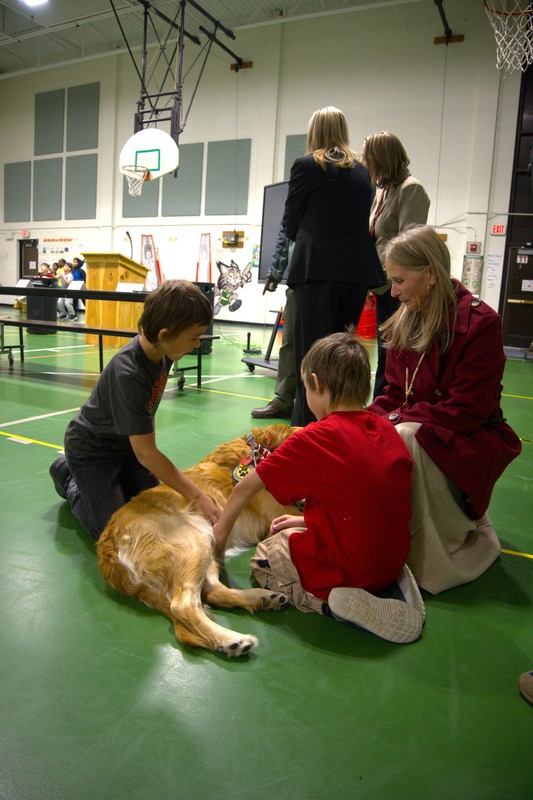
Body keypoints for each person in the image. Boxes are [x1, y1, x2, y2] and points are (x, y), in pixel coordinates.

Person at [214, 330, 425, 644]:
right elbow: (362, 500)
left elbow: (246, 487)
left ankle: (331, 605)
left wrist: (218, 537)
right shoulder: (385, 427)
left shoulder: (314, 438)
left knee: (266, 556)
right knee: (297, 530)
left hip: (350, 569)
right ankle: (394, 587)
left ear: (316, 384)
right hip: (391, 555)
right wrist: (304, 519)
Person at [369, 225, 522, 594]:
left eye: (401, 280)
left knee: (404, 436)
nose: (394, 292)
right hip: (419, 428)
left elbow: (466, 411)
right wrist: (360, 424)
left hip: (468, 439)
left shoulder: (482, 324)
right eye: (392, 281)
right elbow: (392, 393)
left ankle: (428, 557)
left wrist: (393, 422)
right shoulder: (403, 322)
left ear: (432, 275)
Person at [49, 280, 220, 541]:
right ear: (164, 335)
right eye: (194, 338)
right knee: (114, 533)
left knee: (153, 508)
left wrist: (146, 455)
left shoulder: (164, 353)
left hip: (125, 446)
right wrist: (196, 494)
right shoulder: (129, 373)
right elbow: (147, 450)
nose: (197, 345)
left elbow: (146, 410)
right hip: (91, 451)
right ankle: (69, 480)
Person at [283, 106, 385, 427]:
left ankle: (304, 434)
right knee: (341, 357)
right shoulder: (364, 170)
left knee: (311, 359)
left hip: (316, 272)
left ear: (314, 131)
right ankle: (340, 429)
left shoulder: (306, 165)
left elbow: (290, 223)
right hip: (356, 275)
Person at [362, 131, 430, 398]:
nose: (365, 164)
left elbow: (407, 246)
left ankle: (386, 409)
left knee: (393, 353)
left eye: (368, 158)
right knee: (385, 351)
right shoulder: (383, 191)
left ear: (382, 158)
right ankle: (382, 405)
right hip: (383, 286)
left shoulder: (410, 189)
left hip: (399, 288)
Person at [252, 226, 296, 419]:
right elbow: (286, 231)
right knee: (290, 344)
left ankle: (332, 406)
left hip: (340, 276)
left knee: (334, 345)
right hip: (301, 278)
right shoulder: (299, 198)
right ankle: (284, 401)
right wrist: (276, 272)